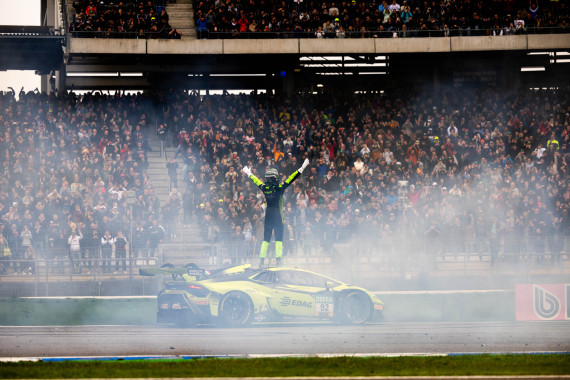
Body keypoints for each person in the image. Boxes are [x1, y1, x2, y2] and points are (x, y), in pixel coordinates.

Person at [242, 158, 310, 267]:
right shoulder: (280, 188)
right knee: (279, 239)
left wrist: (249, 173)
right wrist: (301, 168)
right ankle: (278, 262)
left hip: (268, 216)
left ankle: (261, 262)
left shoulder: (264, 188)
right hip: (278, 216)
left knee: (266, 240)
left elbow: (256, 181)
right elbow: (291, 179)